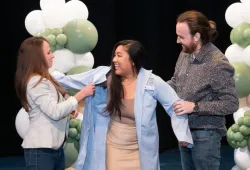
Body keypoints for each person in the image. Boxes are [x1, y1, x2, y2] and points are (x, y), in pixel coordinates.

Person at [53, 40, 193, 170]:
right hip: (113, 147)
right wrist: (45, 77)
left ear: (133, 61)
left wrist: (183, 135)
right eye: (114, 55)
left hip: (141, 149)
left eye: (119, 55)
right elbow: (70, 81)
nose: (114, 60)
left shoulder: (151, 82)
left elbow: (174, 105)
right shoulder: (104, 76)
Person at [167, 10, 239, 170]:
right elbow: (176, 82)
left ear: (197, 36)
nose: (178, 41)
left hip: (206, 134)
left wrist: (195, 107)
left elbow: (231, 103)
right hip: (185, 130)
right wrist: (153, 87)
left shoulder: (217, 63)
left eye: (181, 37)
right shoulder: (185, 53)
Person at [15, 37, 95, 170]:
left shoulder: (44, 79)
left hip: (54, 150)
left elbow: (55, 104)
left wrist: (69, 108)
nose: (52, 56)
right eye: (48, 53)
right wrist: (81, 95)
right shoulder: (35, 81)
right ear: (37, 57)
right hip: (41, 151)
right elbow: (55, 112)